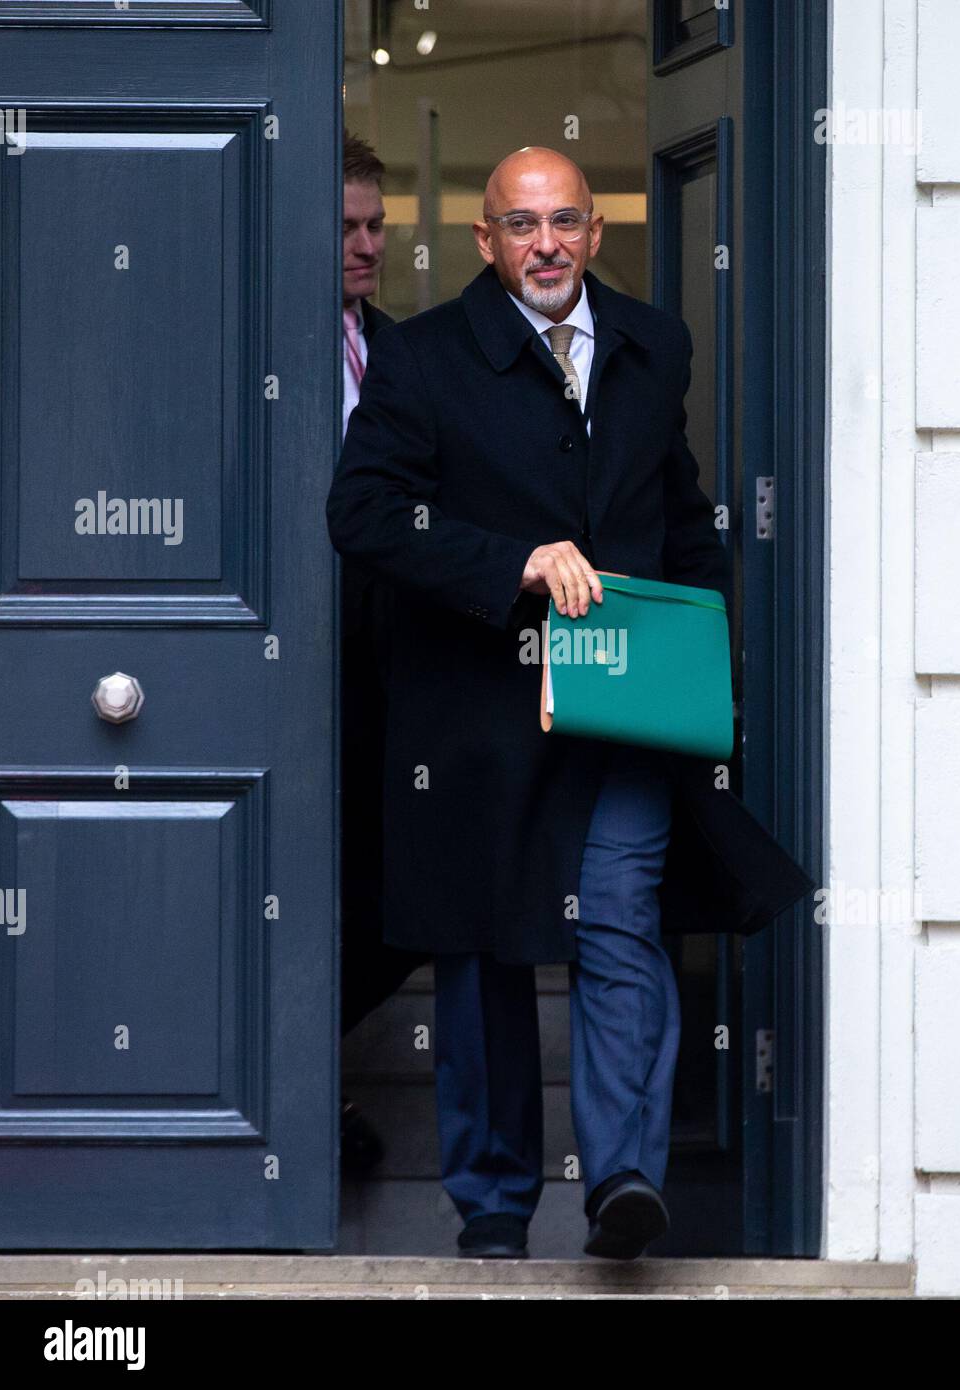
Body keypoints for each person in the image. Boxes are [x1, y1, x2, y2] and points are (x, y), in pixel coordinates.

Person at [327, 145, 809, 1260]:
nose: (545, 243)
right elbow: (362, 514)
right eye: (520, 224)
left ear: (596, 233)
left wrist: (707, 658)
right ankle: (493, 1206)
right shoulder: (428, 361)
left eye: (566, 222)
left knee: (623, 922)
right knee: (488, 950)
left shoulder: (653, 348)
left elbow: (679, 514)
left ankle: (624, 1178)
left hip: (623, 713)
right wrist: (516, 563)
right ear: (484, 241)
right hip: (476, 721)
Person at [337, 131, 431, 1178]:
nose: (366, 247)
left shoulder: (401, 352)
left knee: (393, 897)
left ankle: (300, 1065)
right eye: (347, 229)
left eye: (376, 227)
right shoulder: (256, 341)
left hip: (383, 666)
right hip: (272, 661)